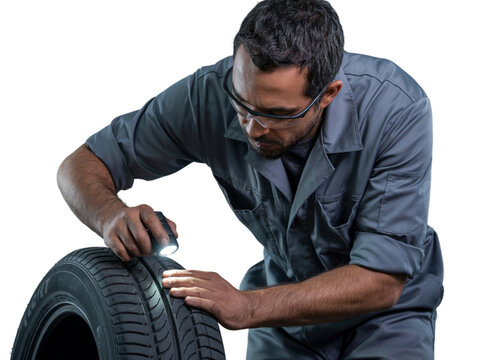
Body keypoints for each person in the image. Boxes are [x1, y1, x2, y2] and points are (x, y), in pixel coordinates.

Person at [57, 0, 444, 358]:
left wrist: (248, 306)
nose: (252, 128)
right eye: (243, 105)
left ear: (328, 95)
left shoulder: (397, 111)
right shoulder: (209, 94)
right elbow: (81, 165)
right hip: (283, 315)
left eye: (276, 114)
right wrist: (110, 215)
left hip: (387, 315)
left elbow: (381, 280)